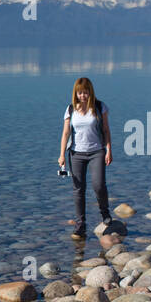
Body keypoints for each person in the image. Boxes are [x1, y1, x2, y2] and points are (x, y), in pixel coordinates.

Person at [58, 77, 113, 239]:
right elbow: (66, 133)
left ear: (90, 92)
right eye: (80, 92)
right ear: (76, 93)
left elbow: (106, 130)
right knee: (78, 190)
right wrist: (61, 155)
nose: (83, 95)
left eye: (86, 92)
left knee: (98, 185)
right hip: (76, 154)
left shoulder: (99, 107)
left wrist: (109, 150)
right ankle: (80, 224)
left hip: (97, 151)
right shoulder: (70, 110)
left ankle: (105, 213)